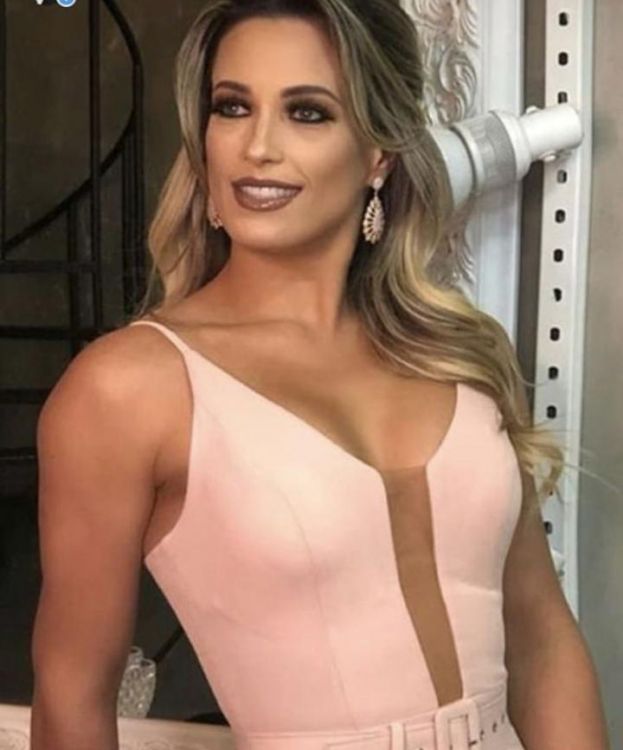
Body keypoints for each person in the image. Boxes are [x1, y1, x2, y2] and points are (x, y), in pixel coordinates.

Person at [30, 1, 611, 749]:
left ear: (378, 154)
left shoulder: (457, 351)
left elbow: (539, 639)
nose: (257, 147)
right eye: (232, 107)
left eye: (306, 112)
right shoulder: (130, 388)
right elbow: (72, 694)